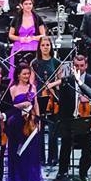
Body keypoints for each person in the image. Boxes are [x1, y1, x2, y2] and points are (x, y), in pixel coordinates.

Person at [55, 53, 91, 181]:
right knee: (65, 145)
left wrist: (89, 100)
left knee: (87, 147)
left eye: (82, 65)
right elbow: (62, 103)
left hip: (86, 120)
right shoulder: (66, 80)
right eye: (76, 66)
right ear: (73, 66)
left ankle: (83, 173)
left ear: (86, 65)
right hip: (70, 119)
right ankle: (62, 171)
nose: (79, 68)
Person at [5, 63, 42, 181]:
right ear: (18, 75)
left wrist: (38, 119)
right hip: (16, 123)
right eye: (24, 74)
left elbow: (36, 104)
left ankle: (31, 180)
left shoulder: (33, 87)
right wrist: (21, 105)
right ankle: (18, 180)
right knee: (17, 151)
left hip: (30, 123)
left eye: (28, 74)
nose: (27, 76)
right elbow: (9, 107)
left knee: (31, 152)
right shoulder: (12, 88)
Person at [31, 37, 62, 166]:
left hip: (53, 97)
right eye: (43, 45)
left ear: (51, 46)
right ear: (39, 47)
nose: (45, 47)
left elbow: (61, 80)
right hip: (39, 97)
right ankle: (40, 158)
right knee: (40, 129)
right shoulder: (35, 63)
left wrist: (52, 84)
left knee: (53, 130)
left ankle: (53, 158)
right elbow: (32, 82)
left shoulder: (56, 62)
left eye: (47, 45)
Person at [7, 0, 46, 79]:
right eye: (26, 4)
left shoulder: (37, 18)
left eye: (30, 4)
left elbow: (43, 35)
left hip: (34, 45)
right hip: (19, 45)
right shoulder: (16, 18)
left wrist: (33, 38)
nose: (28, 6)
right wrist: (20, 39)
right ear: (21, 5)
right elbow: (10, 35)